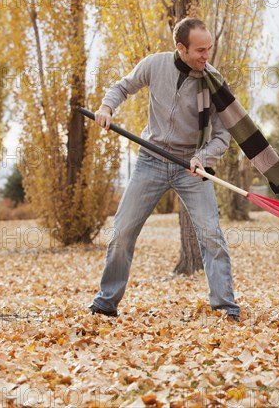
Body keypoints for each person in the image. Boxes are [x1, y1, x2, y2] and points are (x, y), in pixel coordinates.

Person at [89, 18, 241, 320]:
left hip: (191, 167)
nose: (205, 56)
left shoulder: (212, 81)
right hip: (151, 161)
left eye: (209, 49)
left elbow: (223, 134)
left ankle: (226, 308)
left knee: (212, 236)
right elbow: (122, 87)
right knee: (122, 233)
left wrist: (204, 158)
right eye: (199, 50)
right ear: (180, 48)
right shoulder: (154, 65)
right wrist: (106, 107)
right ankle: (106, 304)